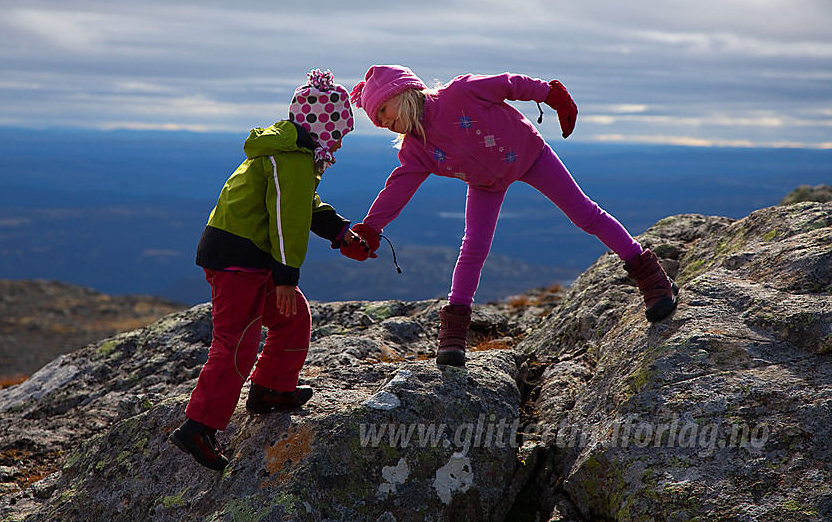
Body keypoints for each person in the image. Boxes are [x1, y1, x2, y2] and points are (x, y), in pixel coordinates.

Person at [344, 65, 678, 367]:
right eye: (378, 122)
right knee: (473, 247)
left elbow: (509, 84)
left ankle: (653, 280)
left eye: (383, 112)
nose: (384, 123)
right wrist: (371, 229)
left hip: (531, 154)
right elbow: (397, 188)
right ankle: (454, 335)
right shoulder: (415, 148)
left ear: (401, 93)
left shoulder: (460, 92)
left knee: (584, 214)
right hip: (486, 184)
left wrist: (551, 95)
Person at [170, 70, 370, 470]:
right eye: (341, 133)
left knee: (291, 316)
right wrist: (285, 277)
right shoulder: (291, 159)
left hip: (246, 254)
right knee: (236, 342)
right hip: (237, 258)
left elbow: (302, 206)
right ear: (324, 127)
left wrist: (341, 232)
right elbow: (285, 221)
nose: (340, 142)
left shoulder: (290, 153)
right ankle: (198, 427)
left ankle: (270, 389)